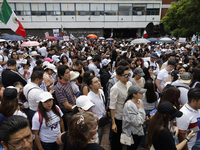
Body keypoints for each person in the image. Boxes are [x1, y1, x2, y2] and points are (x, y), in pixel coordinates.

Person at [109, 66, 132, 150]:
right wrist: (113, 122)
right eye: (125, 75)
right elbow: (112, 106)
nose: (128, 77)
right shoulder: (115, 88)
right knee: (117, 140)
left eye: (128, 74)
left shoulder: (129, 84)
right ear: (119, 76)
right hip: (119, 117)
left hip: (128, 115)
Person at [123, 85, 146, 150]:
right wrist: (141, 109)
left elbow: (141, 118)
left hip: (138, 131)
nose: (142, 94)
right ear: (134, 94)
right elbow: (137, 122)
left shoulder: (139, 101)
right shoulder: (129, 105)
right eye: (140, 93)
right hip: (132, 133)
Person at [87, 75, 106, 144]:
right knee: (97, 138)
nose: (98, 83)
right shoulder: (89, 97)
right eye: (95, 82)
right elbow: (89, 112)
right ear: (90, 85)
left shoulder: (101, 91)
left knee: (101, 135)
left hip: (103, 117)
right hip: (96, 122)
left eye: (98, 81)